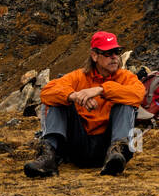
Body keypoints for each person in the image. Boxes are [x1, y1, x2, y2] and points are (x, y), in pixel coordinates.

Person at [24, 30, 146, 178]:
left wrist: (101, 90)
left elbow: (139, 94)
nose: (114, 57)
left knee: (126, 101)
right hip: (78, 144)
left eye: (117, 51)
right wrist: (73, 96)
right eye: (108, 53)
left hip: (108, 146)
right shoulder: (78, 77)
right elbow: (46, 92)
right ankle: (48, 156)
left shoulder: (126, 77)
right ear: (94, 55)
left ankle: (117, 152)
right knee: (55, 99)